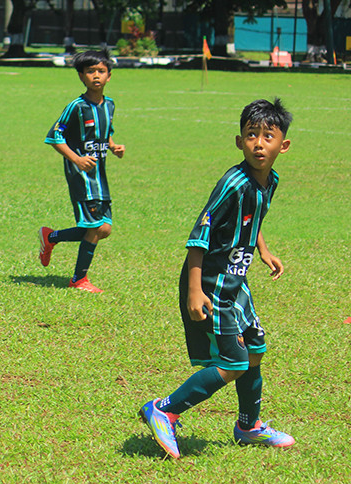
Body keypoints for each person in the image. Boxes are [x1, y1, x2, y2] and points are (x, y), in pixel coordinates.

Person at [139, 98, 295, 459]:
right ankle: (164, 409)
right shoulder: (233, 183)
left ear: (282, 145)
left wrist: (263, 249)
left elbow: (250, 220)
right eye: (251, 135)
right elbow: (200, 236)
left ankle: (249, 427)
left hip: (236, 284)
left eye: (268, 136)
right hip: (211, 285)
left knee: (254, 350)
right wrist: (195, 290)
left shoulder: (269, 180)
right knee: (233, 363)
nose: (259, 143)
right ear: (239, 142)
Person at [38, 50, 125, 293]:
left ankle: (51, 237)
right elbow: (54, 137)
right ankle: (78, 279)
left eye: (101, 71)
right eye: (90, 72)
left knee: (103, 229)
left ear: (109, 76)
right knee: (96, 227)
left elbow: (105, 133)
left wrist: (113, 146)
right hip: (82, 177)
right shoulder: (76, 107)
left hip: (100, 177)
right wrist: (76, 159)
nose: (96, 76)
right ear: (81, 76)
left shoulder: (109, 105)